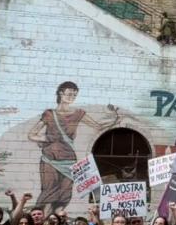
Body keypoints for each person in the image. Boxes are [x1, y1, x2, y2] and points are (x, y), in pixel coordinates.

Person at [28, 81, 115, 212]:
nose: (72, 97)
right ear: (60, 93)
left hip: (69, 160)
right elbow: (32, 134)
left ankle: (56, 219)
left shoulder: (79, 113)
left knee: (64, 194)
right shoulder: (49, 114)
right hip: (50, 159)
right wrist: (47, 138)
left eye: (74, 95)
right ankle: (41, 219)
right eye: (69, 94)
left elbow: (98, 126)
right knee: (48, 191)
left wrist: (114, 119)